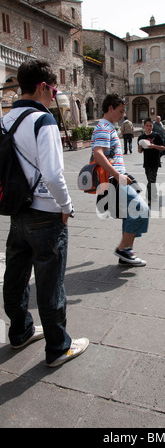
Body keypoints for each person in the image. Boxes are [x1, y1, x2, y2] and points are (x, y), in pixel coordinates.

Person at [2, 59, 89, 368]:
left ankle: (20, 331)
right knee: (50, 285)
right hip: (46, 215)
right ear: (41, 87)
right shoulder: (43, 120)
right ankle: (58, 348)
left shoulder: (5, 119)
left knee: (15, 277)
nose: (54, 95)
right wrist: (67, 207)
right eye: (53, 90)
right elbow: (53, 175)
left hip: (17, 212)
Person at [92, 94, 149, 267]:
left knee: (131, 212)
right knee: (140, 208)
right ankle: (123, 249)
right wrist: (118, 176)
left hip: (119, 177)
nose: (123, 115)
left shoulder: (108, 126)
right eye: (120, 111)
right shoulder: (104, 127)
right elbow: (98, 154)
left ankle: (126, 253)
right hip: (113, 180)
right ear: (110, 108)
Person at [138, 117, 165, 205]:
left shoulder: (156, 136)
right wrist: (140, 146)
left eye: (150, 125)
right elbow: (139, 151)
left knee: (151, 181)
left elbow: (163, 147)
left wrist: (153, 146)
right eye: (147, 126)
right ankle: (155, 196)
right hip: (146, 162)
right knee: (151, 180)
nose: (149, 127)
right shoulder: (141, 137)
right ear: (144, 126)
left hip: (155, 161)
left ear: (152, 126)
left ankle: (149, 199)